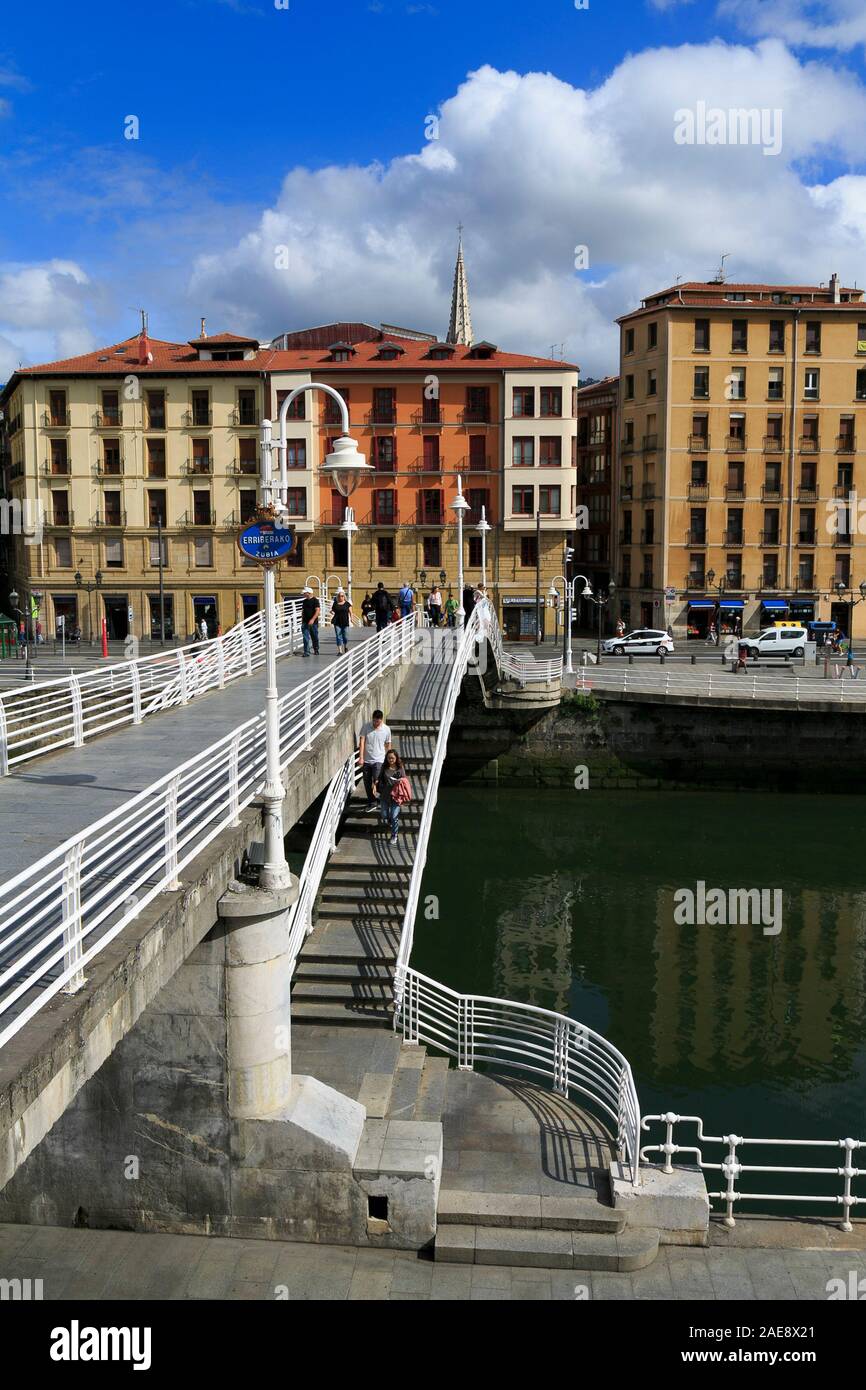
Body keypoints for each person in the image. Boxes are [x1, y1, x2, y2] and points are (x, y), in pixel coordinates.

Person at [358, 708, 391, 813]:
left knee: (377, 781)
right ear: (372, 719)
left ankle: (386, 798)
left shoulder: (386, 729)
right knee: (367, 782)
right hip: (367, 760)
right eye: (374, 721)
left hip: (379, 760)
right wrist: (361, 757)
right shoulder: (366, 727)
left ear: (381, 720)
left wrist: (388, 759)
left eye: (378, 721)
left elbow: (388, 744)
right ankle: (373, 802)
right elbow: (362, 742)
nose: (376, 723)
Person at [377, 749, 410, 847]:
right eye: (388, 758)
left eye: (392, 758)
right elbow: (379, 778)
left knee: (394, 816)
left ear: (396, 758)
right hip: (385, 795)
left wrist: (400, 780)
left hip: (396, 796)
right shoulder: (384, 767)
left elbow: (405, 780)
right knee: (384, 814)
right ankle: (389, 820)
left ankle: (394, 835)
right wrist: (375, 785)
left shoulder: (400, 768)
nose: (390, 760)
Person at [331, 587, 352, 655]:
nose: (341, 597)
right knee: (338, 636)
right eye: (339, 596)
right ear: (338, 597)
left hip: (345, 622)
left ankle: (345, 646)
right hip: (337, 622)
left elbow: (351, 612)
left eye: (342, 596)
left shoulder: (347, 604)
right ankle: (340, 651)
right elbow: (332, 610)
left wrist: (351, 618)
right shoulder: (335, 603)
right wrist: (332, 612)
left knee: (345, 636)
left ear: (344, 597)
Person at [300, 585, 320, 656]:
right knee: (305, 637)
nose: (303, 594)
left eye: (304, 593)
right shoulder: (304, 601)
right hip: (305, 622)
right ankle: (306, 652)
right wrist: (302, 621)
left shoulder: (315, 600)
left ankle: (316, 649)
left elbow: (317, 611)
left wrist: (312, 619)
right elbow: (303, 611)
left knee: (314, 636)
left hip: (313, 623)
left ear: (308, 593)